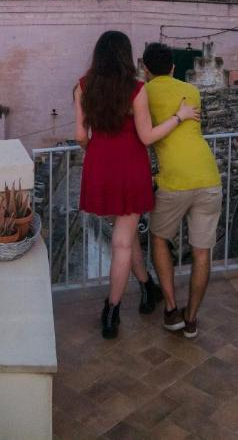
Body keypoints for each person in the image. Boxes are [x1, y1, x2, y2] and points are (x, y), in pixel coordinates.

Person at [75, 30, 200, 339]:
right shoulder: (135, 90)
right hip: (130, 168)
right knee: (122, 241)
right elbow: (146, 137)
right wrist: (179, 117)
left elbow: (81, 136)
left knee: (124, 235)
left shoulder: (82, 87)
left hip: (99, 166)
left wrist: (96, 153)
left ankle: (147, 288)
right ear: (125, 56)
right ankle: (111, 310)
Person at [142, 42, 223, 339]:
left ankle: (171, 309)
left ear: (145, 68)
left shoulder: (144, 93)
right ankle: (191, 319)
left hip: (174, 180)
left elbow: (145, 134)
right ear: (174, 67)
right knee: (202, 252)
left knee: (159, 237)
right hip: (208, 175)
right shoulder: (194, 92)